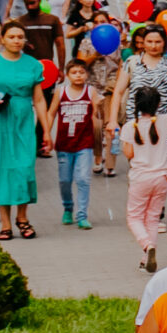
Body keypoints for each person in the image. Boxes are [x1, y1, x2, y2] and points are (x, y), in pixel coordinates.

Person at [0, 19, 48, 243]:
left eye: (20, 37)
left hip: (23, 120)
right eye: (12, 37)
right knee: (1, 168)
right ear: (3, 39)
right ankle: (5, 224)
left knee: (24, 168)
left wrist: (46, 131)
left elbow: (39, 100)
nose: (16, 41)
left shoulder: (33, 65)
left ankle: (22, 218)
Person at [121, 85, 167, 272]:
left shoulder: (130, 127)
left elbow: (128, 153)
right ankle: (146, 258)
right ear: (158, 104)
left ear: (136, 104)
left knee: (134, 217)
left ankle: (147, 245)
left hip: (140, 178)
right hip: (162, 177)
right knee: (153, 218)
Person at [45, 55, 102, 230]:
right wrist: (46, 134)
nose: (78, 75)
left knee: (83, 179)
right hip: (64, 144)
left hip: (84, 143)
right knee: (64, 180)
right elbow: (51, 113)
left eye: (81, 72)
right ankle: (68, 207)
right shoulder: (61, 92)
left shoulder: (91, 91)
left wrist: (99, 107)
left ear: (87, 74)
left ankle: (82, 215)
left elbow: (97, 117)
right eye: (74, 72)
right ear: (68, 75)